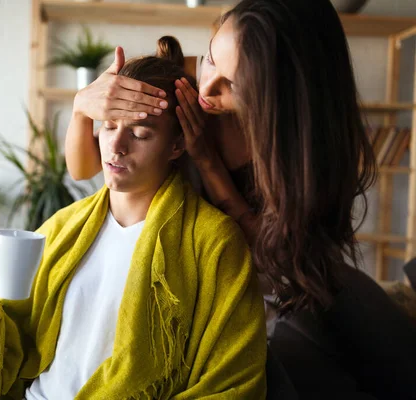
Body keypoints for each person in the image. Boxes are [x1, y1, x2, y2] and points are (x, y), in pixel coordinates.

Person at [64, 0, 416, 399]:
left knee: (371, 331)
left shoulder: (309, 151)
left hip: (285, 273)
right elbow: (84, 167)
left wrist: (208, 162)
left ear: (284, 98)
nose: (207, 89)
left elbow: (280, 260)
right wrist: (82, 108)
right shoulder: (180, 86)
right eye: (212, 58)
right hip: (218, 285)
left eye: (233, 85)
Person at [0, 37, 267, 400]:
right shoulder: (60, 230)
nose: (116, 146)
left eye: (140, 133)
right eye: (110, 125)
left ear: (177, 146)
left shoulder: (214, 243)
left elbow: (233, 383)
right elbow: (1, 356)